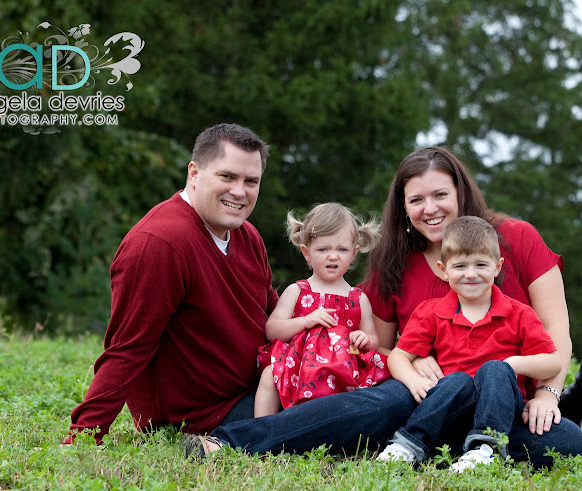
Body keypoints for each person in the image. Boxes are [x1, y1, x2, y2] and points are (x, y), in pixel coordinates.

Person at [363, 146, 582, 468]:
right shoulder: (404, 274)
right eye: (416, 200)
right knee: (446, 386)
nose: (430, 208)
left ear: (497, 267)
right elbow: (380, 348)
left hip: (507, 405)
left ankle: (480, 447)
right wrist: (415, 363)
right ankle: (421, 443)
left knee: (566, 439)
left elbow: (555, 337)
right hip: (441, 398)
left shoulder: (517, 254)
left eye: (440, 194)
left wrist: (545, 394)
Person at [62, 123, 279, 444]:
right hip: (204, 417)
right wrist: (82, 438)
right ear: (194, 173)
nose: (239, 191)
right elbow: (127, 348)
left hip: (261, 389)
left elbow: (274, 312)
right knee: (351, 409)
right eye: (227, 176)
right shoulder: (160, 242)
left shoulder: (247, 236)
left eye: (251, 181)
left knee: (350, 390)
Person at [376, 216, 563, 472]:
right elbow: (398, 356)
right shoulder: (431, 312)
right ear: (444, 270)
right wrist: (414, 380)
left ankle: (485, 449)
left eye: (481, 264)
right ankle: (409, 444)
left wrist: (511, 365)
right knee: (458, 381)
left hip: (502, 411)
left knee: (568, 438)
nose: (471, 274)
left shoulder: (519, 314)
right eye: (460, 266)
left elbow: (553, 362)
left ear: (497, 267)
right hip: (452, 410)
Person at [255, 203, 391, 417]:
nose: (333, 256)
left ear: (354, 253)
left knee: (377, 388)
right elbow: (272, 330)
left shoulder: (358, 298)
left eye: (342, 249)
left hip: (343, 369)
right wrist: (304, 321)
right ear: (306, 253)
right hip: (299, 365)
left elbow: (374, 340)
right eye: (323, 249)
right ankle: (261, 427)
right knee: (270, 374)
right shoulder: (298, 291)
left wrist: (364, 339)